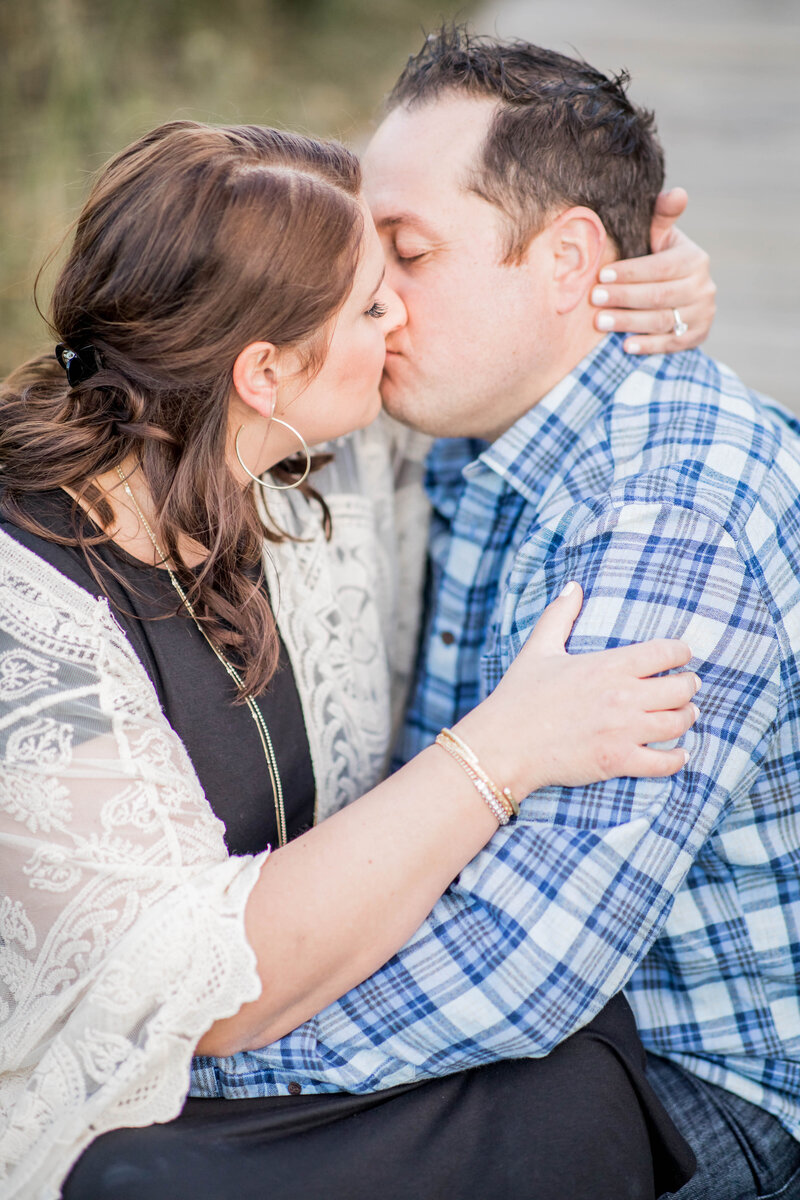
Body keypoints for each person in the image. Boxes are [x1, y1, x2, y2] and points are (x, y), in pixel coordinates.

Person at [0, 121, 703, 1200]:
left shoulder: (305, 454)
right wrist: (501, 752)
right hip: (134, 1103)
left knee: (577, 1080)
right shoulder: (26, 610)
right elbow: (203, 993)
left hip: (297, 1056)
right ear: (264, 370)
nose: (403, 318)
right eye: (375, 301)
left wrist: (622, 291)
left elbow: (511, 362)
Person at [206, 29, 800, 1200]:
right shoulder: (471, 421)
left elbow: (517, 967)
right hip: (543, 1024)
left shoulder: (667, 517)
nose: (364, 294)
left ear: (572, 259)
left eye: (407, 253)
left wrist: (164, 1049)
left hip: (697, 1080)